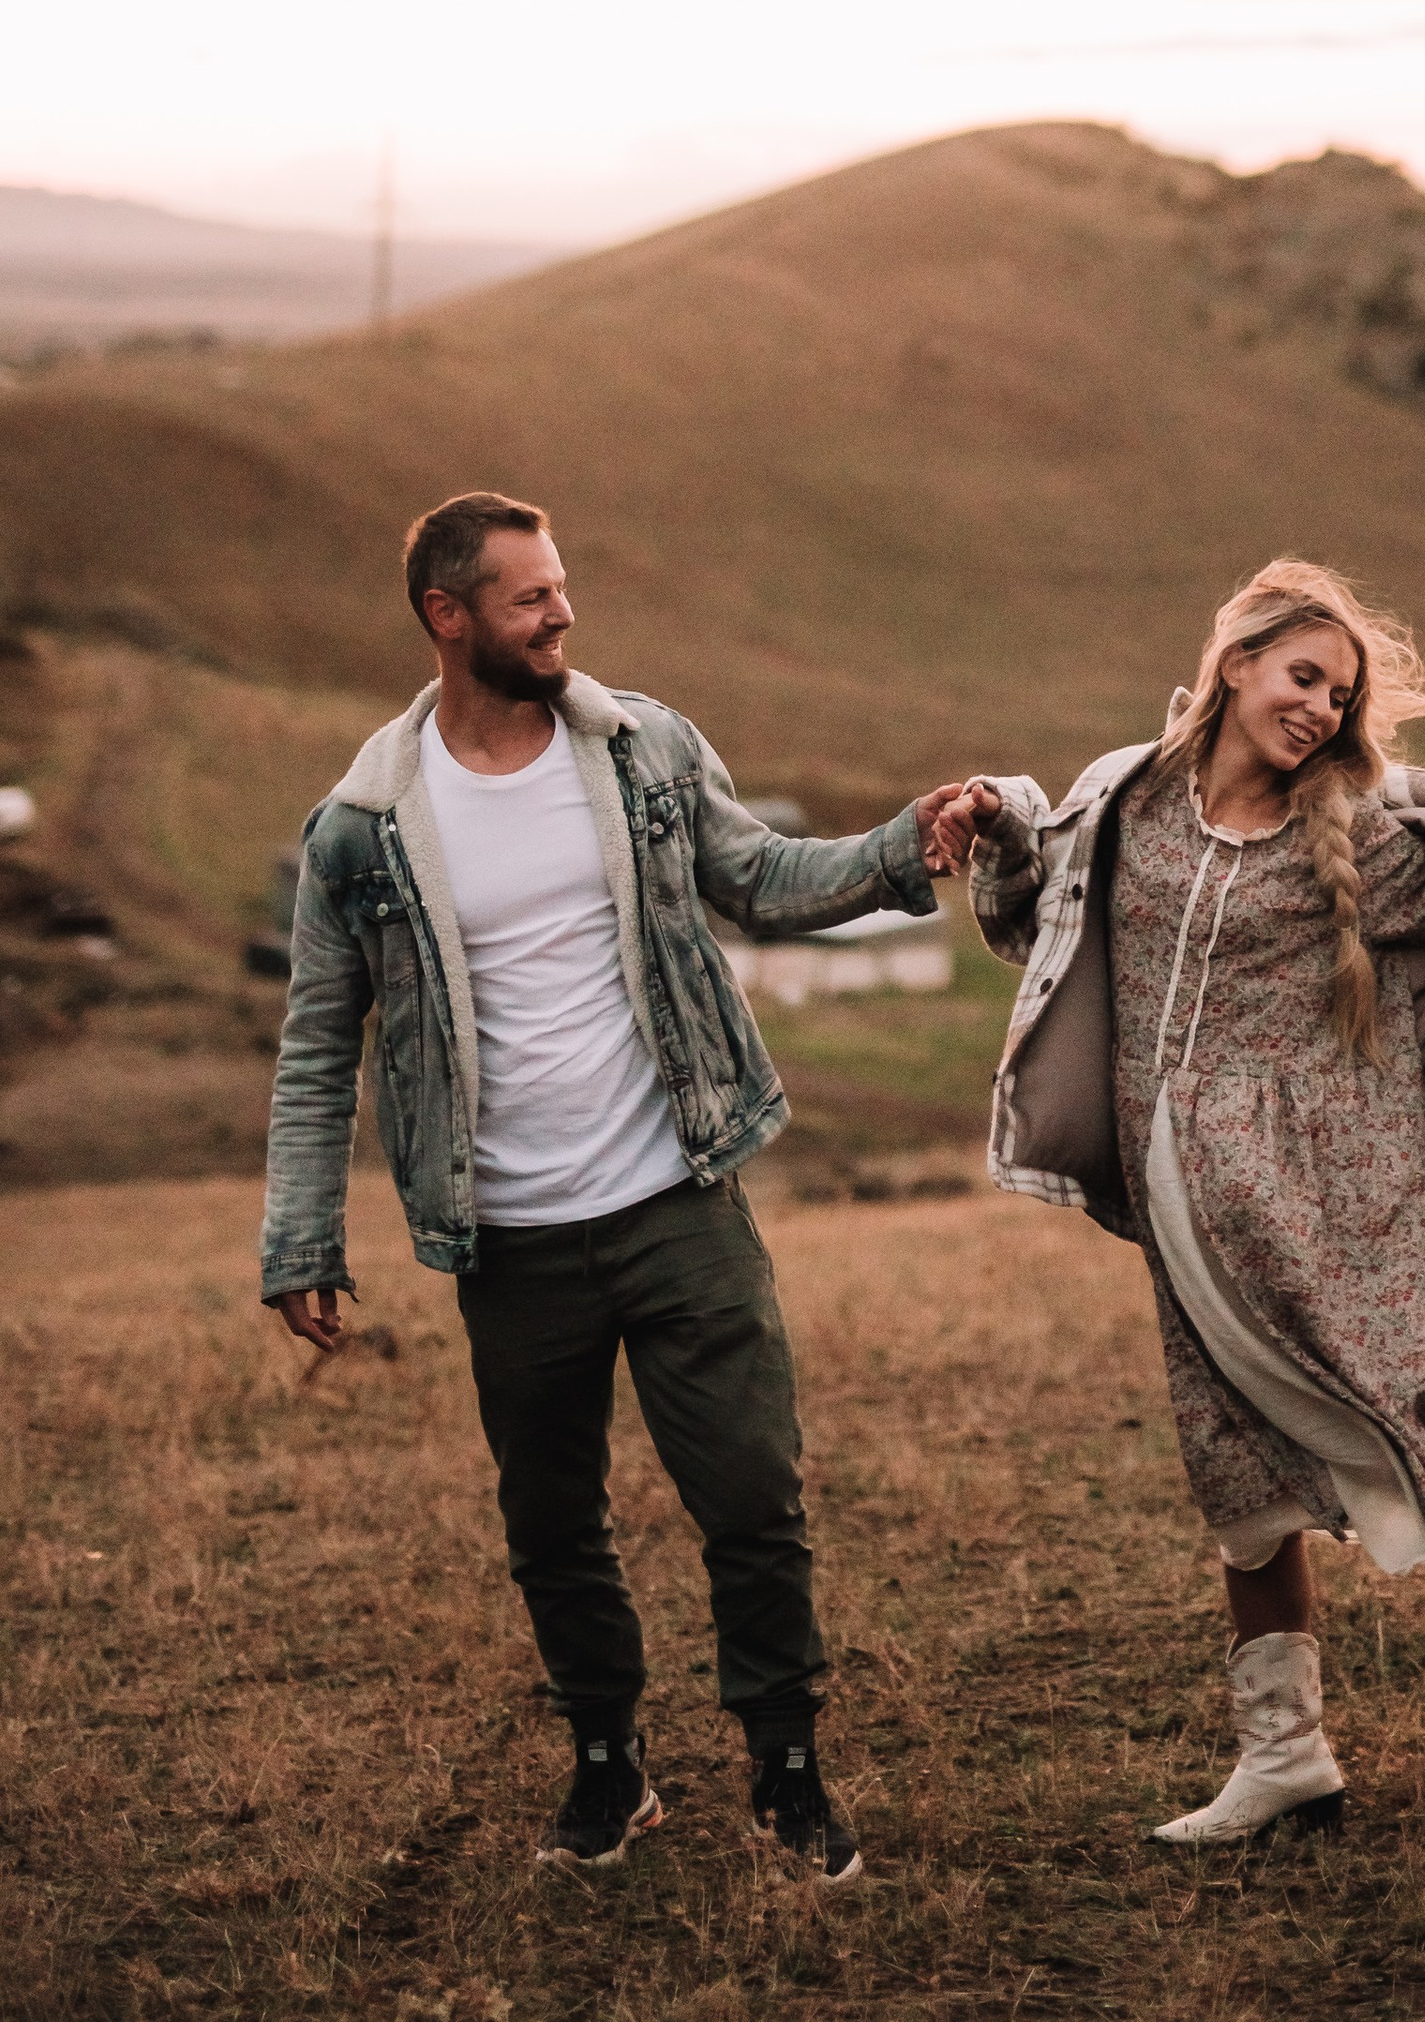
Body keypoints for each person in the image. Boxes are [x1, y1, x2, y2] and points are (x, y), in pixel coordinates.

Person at [924, 557, 1425, 1847]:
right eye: (1302, 677)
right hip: (1183, 1201)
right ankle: (1286, 1755)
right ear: (1235, 662)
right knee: (1236, 1473)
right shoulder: (1128, 801)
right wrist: (999, 830)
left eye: (1338, 694)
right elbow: (1042, 925)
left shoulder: (1360, 836)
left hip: (1332, 1190)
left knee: (1415, 1417)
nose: (1317, 709)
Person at [261, 489, 976, 1881]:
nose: (562, 614)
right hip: (511, 1239)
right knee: (551, 1525)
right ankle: (608, 1761)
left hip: (675, 1196)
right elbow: (314, 1043)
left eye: (563, 586)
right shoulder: (361, 830)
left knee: (754, 1497)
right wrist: (301, 1234)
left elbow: (761, 877)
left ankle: (785, 1762)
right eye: (530, 598)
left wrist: (903, 845)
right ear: (447, 617)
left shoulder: (641, 746)